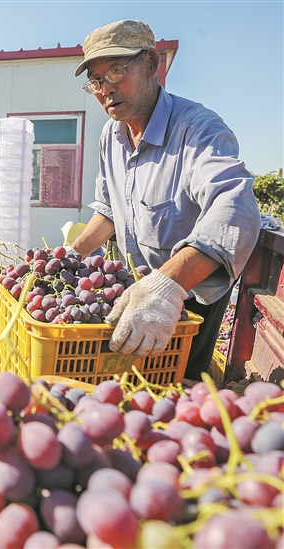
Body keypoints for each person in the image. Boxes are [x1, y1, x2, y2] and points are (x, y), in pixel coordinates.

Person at [69, 19, 260, 380]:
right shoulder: (111, 135)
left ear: (151, 64)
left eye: (115, 72)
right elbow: (109, 209)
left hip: (186, 295)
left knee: (176, 384)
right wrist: (70, 254)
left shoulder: (198, 129)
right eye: (95, 81)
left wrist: (167, 285)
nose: (105, 89)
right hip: (135, 289)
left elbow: (235, 206)